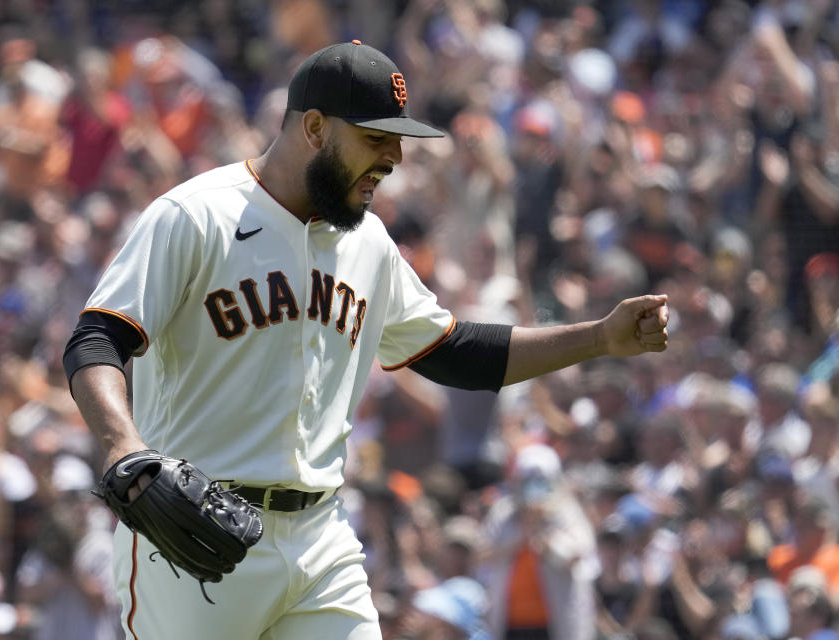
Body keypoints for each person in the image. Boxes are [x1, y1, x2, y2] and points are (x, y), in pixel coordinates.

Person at [62, 41, 670, 640]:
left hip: (321, 538)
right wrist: (122, 447)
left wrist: (597, 338)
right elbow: (97, 340)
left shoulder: (369, 243)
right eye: (377, 138)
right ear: (317, 128)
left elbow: (452, 351)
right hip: (193, 534)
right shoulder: (196, 215)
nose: (396, 157)